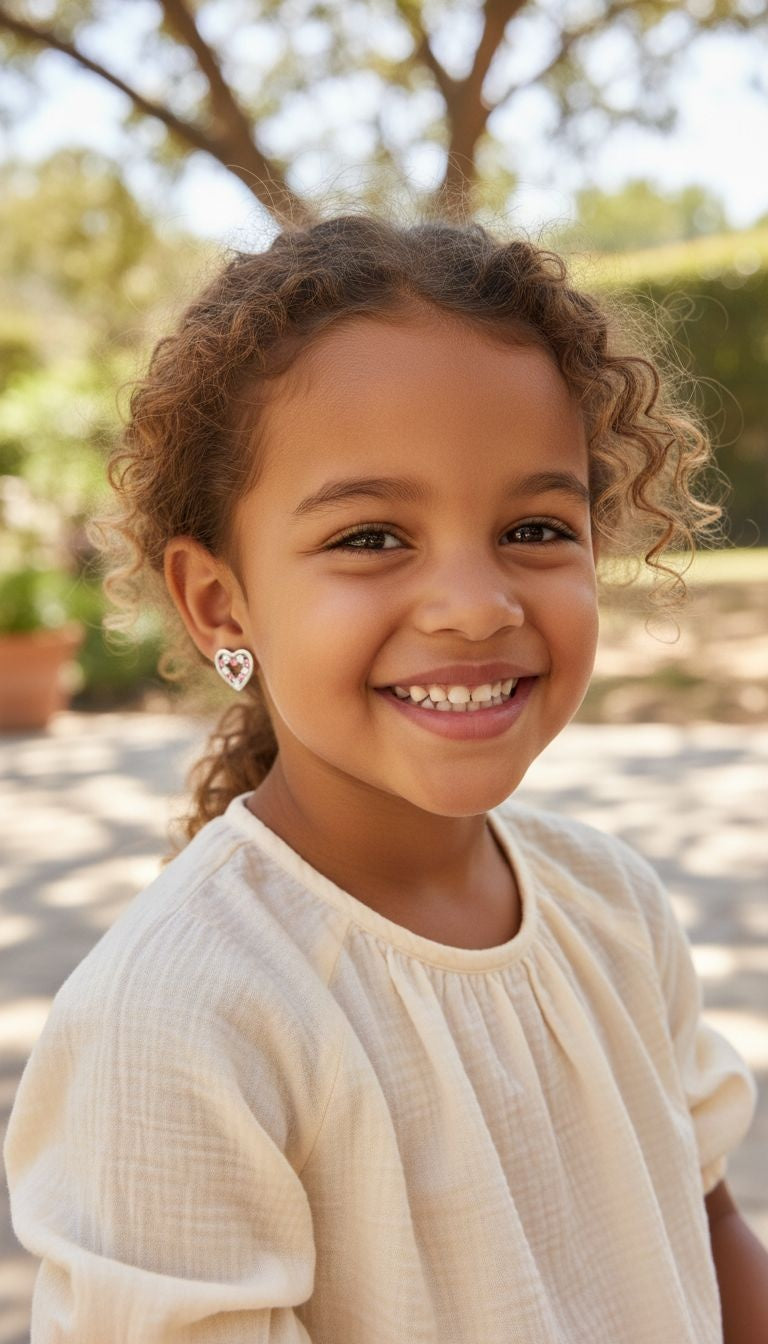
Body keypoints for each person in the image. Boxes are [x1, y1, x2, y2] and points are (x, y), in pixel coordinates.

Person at [4, 212, 766, 1344]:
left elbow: (706, 1240)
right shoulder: (179, 1021)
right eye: (370, 538)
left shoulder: (613, 904)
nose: (476, 602)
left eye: (535, 526)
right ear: (222, 603)